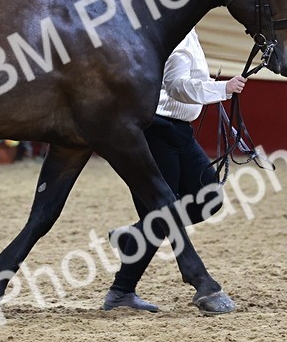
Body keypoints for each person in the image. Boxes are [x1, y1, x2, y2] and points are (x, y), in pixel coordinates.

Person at [103, 27, 245, 314]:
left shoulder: (187, 30)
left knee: (208, 197)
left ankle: (132, 239)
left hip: (179, 131)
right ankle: (121, 291)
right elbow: (176, 85)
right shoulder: (176, 33)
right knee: (161, 214)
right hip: (159, 129)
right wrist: (222, 89)